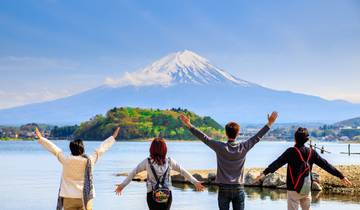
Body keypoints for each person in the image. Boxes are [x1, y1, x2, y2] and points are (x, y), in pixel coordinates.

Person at [179, 111, 278, 210]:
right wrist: (270, 123)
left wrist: (189, 125)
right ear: (238, 134)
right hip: (238, 188)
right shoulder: (243, 147)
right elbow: (257, 137)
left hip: (223, 189)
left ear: (226, 133)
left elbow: (204, 138)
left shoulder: (219, 147)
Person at [254, 127, 352, 210]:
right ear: (307, 140)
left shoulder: (291, 152)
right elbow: (326, 165)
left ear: (295, 139)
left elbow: (277, 163)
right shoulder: (311, 152)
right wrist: (341, 176)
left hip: (293, 189)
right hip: (306, 188)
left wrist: (263, 173)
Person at [34, 127, 120, 210]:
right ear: (82, 149)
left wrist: (41, 139)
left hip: (68, 197)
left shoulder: (66, 159)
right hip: (85, 198)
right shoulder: (89, 160)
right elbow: (100, 150)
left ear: (71, 149)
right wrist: (112, 138)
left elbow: (55, 150)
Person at [115, 137, 205, 210]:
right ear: (164, 149)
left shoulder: (147, 162)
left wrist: (122, 185)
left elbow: (133, 173)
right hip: (167, 194)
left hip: (151, 194)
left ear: (151, 149)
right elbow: (183, 171)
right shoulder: (169, 161)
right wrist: (195, 182)